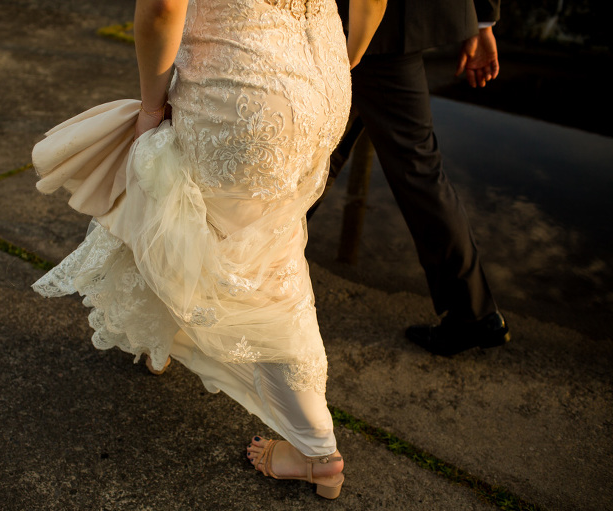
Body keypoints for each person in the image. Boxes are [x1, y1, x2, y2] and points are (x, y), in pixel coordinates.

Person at [32, 0, 386, 500]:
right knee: (224, 229)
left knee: (234, 252)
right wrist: (336, 63)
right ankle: (162, 334)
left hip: (244, 87)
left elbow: (161, 8)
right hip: (324, 75)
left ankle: (317, 452)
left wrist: (152, 108)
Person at [322, 0, 510, 356]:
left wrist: (482, 23)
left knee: (407, 166)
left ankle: (473, 313)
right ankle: (254, 277)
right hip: (391, 20)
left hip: (369, 20)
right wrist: (482, 21)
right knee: (318, 156)